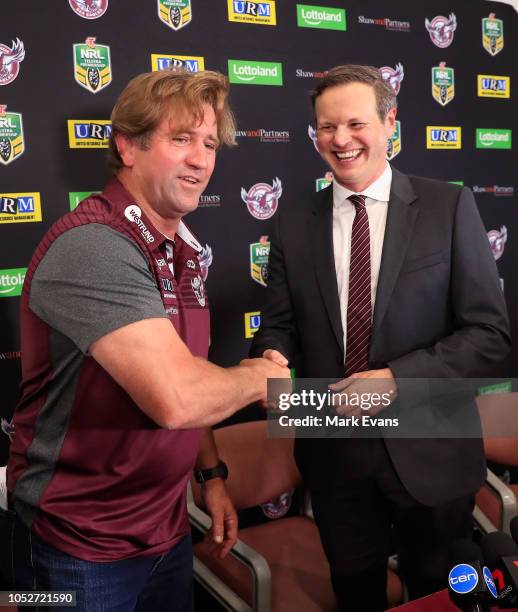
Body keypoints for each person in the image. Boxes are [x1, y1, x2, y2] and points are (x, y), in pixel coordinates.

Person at [3, 69, 289, 612]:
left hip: (165, 533)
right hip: (75, 549)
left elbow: (191, 376)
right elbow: (177, 398)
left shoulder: (180, 248)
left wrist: (211, 476)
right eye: (181, 139)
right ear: (127, 146)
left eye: (209, 144)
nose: (201, 160)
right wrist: (260, 378)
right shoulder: (94, 246)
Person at [250, 64, 510, 610]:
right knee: (355, 591)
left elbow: (490, 335)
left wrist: (395, 380)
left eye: (355, 123)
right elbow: (279, 323)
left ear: (391, 123)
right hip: (335, 457)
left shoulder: (449, 206)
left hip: (434, 455)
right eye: (326, 127)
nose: (340, 140)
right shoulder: (292, 221)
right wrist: (271, 356)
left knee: (442, 595)